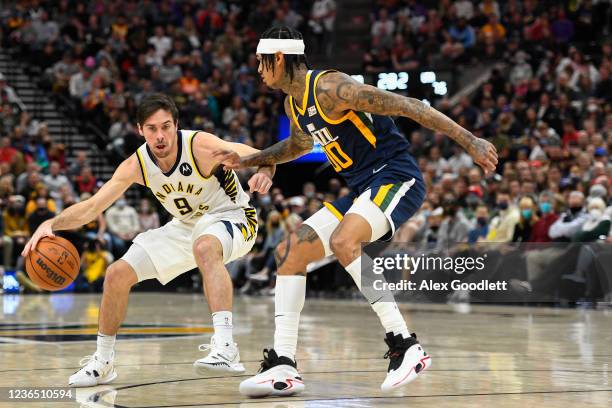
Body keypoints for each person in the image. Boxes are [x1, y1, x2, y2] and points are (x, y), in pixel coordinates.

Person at [214, 26, 498, 396]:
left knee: (345, 240)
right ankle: (283, 364)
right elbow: (298, 146)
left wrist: (470, 141)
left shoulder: (333, 89)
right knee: (291, 251)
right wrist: (251, 160)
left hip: (395, 177)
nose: (258, 70)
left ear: (279, 58)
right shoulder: (293, 104)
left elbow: (411, 107)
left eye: (260, 62)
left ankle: (404, 344)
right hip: (363, 189)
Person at [22, 93, 274, 387]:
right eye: (152, 129)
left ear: (176, 125)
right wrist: (51, 223)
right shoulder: (136, 165)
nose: (161, 136)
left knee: (205, 243)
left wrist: (265, 172)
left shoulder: (201, 146)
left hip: (234, 217)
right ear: (140, 130)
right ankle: (103, 363)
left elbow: (266, 154)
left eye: (166, 127)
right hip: (186, 226)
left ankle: (226, 348)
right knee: (116, 274)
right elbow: (91, 208)